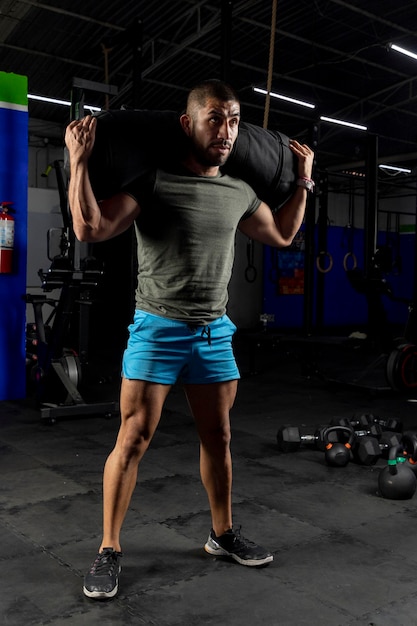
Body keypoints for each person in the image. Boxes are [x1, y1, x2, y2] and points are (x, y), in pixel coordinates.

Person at [65, 79, 314, 600]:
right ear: (189, 123)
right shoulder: (152, 182)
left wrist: (304, 181)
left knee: (219, 439)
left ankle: (221, 535)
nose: (226, 131)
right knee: (132, 439)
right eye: (215, 119)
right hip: (157, 329)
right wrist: (78, 162)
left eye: (234, 121)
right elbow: (91, 227)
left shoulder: (241, 191)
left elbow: (284, 235)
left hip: (213, 333)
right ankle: (109, 548)